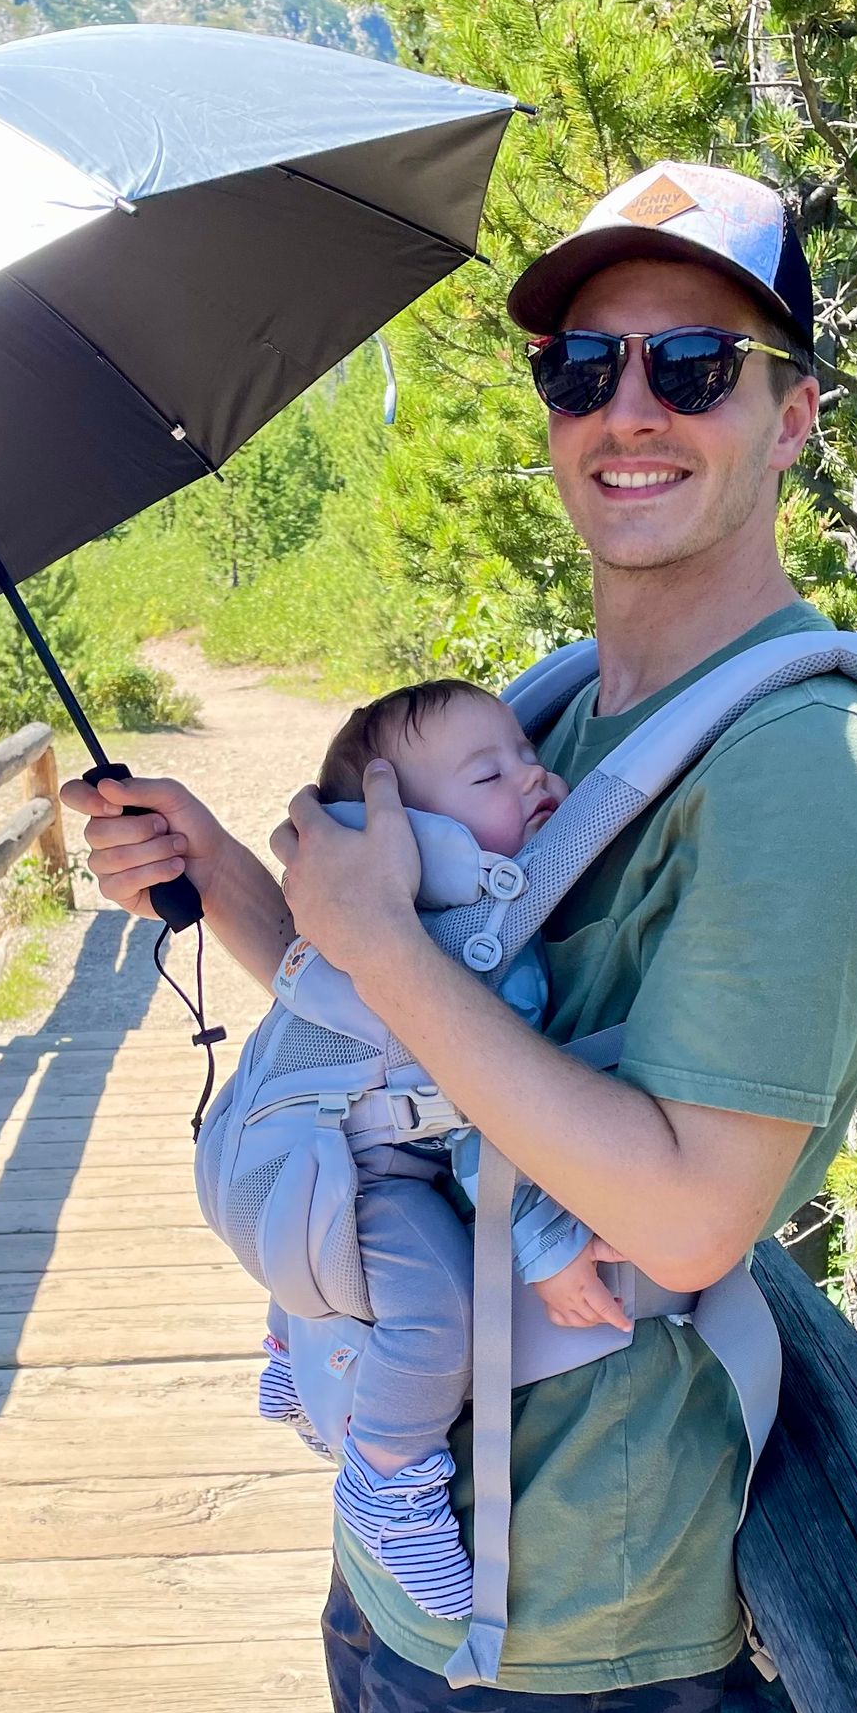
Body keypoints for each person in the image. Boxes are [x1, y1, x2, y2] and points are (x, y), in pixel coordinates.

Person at [64, 161, 857, 1713]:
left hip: (573, 1619)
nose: (629, 409)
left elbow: (685, 1219)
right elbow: (425, 1035)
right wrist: (237, 879)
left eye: (694, 367)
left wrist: (381, 944)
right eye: (580, 366)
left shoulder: (812, 763)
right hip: (409, 1548)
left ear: (794, 417)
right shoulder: (558, 712)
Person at [255, 678, 626, 1623]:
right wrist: (545, 1248)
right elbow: (485, 1117)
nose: (536, 775)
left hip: (311, 1154)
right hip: (379, 1169)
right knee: (441, 1303)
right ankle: (383, 1477)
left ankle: (292, 1351)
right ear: (410, 839)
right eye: (488, 773)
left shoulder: (413, 917)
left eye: (523, 752)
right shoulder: (466, 947)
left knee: (336, 1235)